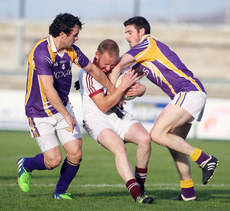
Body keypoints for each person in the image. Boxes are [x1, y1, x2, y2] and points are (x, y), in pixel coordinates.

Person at [109, 16, 219, 201]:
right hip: (192, 94)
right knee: (174, 143)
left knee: (157, 134)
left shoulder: (146, 45)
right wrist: (134, 90)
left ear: (141, 31)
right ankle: (188, 193)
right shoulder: (144, 55)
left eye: (129, 32)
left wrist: (111, 95)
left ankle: (205, 159)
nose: (127, 37)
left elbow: (117, 64)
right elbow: (131, 77)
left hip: (188, 92)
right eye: (125, 33)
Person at [17, 13, 117, 200]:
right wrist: (67, 115)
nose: (77, 38)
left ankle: (60, 192)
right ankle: (26, 164)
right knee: (53, 160)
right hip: (39, 113)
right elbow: (48, 89)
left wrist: (112, 88)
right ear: (62, 34)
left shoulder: (72, 50)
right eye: (75, 34)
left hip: (62, 107)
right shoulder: (41, 52)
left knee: (75, 154)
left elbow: (92, 69)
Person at [77, 39, 154, 204]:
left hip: (117, 115)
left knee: (145, 139)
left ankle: (140, 185)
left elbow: (133, 85)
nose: (108, 68)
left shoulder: (118, 67)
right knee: (119, 147)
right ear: (97, 55)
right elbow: (103, 105)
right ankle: (136, 194)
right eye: (105, 64)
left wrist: (141, 90)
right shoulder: (87, 74)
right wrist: (121, 88)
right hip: (96, 119)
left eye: (112, 65)